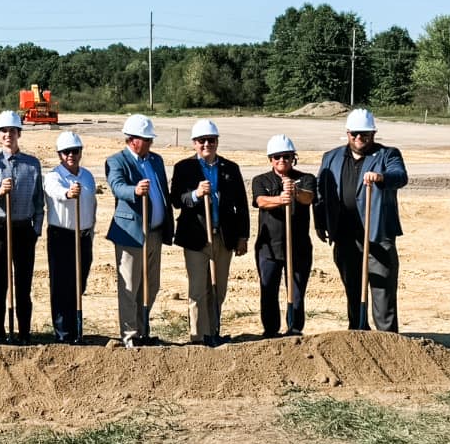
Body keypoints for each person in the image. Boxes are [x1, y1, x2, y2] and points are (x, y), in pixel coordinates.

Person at [314, 108, 408, 332]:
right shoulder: (331, 157)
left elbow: (400, 176)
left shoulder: (387, 155)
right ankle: (358, 331)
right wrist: (320, 222)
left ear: (373, 134)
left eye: (364, 134)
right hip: (345, 234)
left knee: (382, 288)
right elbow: (320, 192)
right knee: (353, 287)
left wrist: (381, 177)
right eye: (354, 134)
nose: (359, 138)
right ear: (347, 133)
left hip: (376, 233)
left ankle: (386, 335)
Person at [170, 119, 250, 346]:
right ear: (194, 143)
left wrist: (243, 236)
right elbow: (177, 199)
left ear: (216, 142)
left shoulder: (230, 168)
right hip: (196, 238)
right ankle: (198, 336)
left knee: (218, 288)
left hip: (223, 238)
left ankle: (214, 332)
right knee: (197, 289)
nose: (207, 144)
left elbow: (242, 206)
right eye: (202, 141)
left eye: (211, 140)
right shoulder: (183, 168)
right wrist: (195, 194)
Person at [105, 114, 172, 347]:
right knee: (130, 287)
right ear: (133, 140)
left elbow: (163, 190)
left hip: (154, 232)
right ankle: (130, 336)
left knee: (150, 286)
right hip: (131, 233)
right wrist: (135, 190)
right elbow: (117, 187)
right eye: (147, 139)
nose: (150, 143)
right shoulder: (116, 161)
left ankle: (143, 331)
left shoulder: (156, 160)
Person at [0, 110, 45, 344]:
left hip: (23, 228)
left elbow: (39, 201)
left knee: (24, 283)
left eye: (12, 131)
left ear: (19, 133)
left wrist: (36, 229)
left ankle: (24, 333)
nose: (8, 135)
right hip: (0, 227)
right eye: (4, 131)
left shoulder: (32, 164)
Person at [251, 135, 316, 337]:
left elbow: (309, 198)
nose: (282, 161)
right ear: (270, 159)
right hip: (269, 247)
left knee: (296, 292)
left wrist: (295, 191)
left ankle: (294, 328)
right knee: (268, 291)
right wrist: (280, 199)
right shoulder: (260, 180)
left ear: (293, 158)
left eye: (286, 156)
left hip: (298, 247)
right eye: (277, 157)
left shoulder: (306, 179)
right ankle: (270, 331)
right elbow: (260, 201)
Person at [43, 131, 96, 343]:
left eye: (74, 151)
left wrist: (91, 230)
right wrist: (68, 194)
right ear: (59, 154)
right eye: (66, 152)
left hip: (83, 236)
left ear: (80, 152)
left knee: (79, 283)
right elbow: (56, 192)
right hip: (62, 236)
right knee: (61, 285)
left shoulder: (88, 176)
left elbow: (92, 204)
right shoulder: (54, 176)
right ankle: (63, 333)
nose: (71, 155)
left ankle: (76, 329)